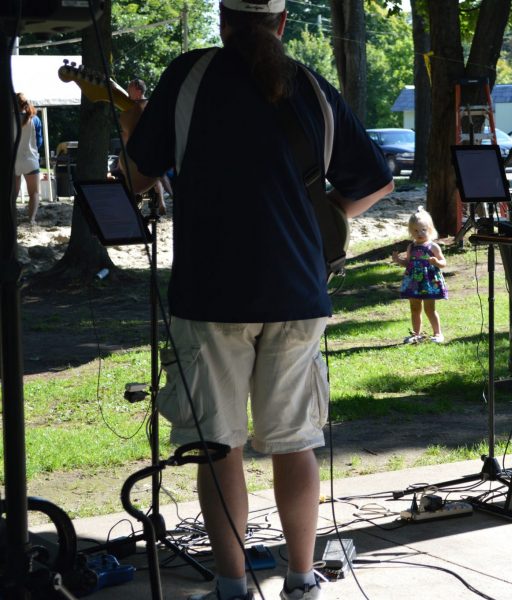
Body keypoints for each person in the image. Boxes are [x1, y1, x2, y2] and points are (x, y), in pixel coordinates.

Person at [117, 1, 393, 599]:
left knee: (220, 447)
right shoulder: (313, 86)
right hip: (298, 290)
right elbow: (375, 182)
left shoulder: (190, 76)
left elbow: (136, 178)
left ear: (222, 19)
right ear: (283, 23)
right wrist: (320, 220)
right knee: (295, 443)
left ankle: (232, 586)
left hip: (210, 292)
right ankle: (301, 577)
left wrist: (132, 122)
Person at [391, 206, 448, 344]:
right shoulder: (411, 247)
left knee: (430, 309)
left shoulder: (433, 247)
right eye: (415, 230)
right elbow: (409, 263)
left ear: (430, 229)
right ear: (411, 231)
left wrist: (436, 262)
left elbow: (443, 262)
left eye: (423, 229)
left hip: (428, 282)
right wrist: (399, 260)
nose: (420, 233)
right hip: (414, 282)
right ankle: (416, 334)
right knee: (415, 308)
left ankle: (438, 333)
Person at [125, 78, 169, 215]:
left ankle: (162, 200)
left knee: (151, 169)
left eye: (130, 88)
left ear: (138, 90)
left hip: (141, 148)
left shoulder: (138, 107)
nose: (127, 91)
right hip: (148, 147)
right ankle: (163, 199)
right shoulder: (150, 105)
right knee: (156, 172)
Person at [14, 92, 43, 225]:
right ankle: (31, 219)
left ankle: (11, 219)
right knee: (34, 193)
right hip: (30, 159)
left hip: (14, 160)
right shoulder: (35, 120)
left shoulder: (8, 119)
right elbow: (39, 142)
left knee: (12, 196)